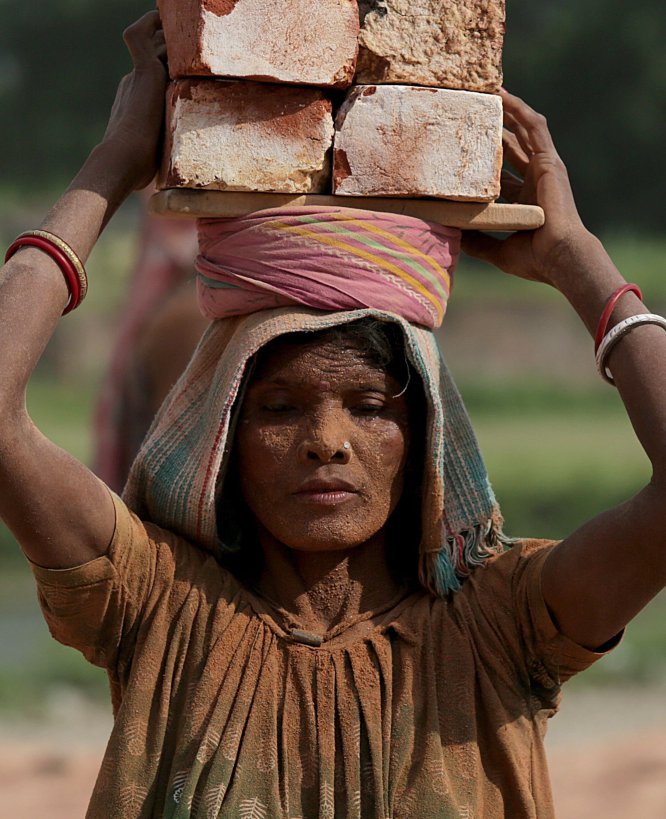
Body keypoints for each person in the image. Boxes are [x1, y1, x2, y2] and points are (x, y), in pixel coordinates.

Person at [1, 11, 665, 819]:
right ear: (225, 433)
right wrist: (112, 165)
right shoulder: (160, 607)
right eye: (278, 407)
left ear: (422, 433)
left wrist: (575, 258)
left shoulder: (502, 627)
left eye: (370, 406)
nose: (326, 443)